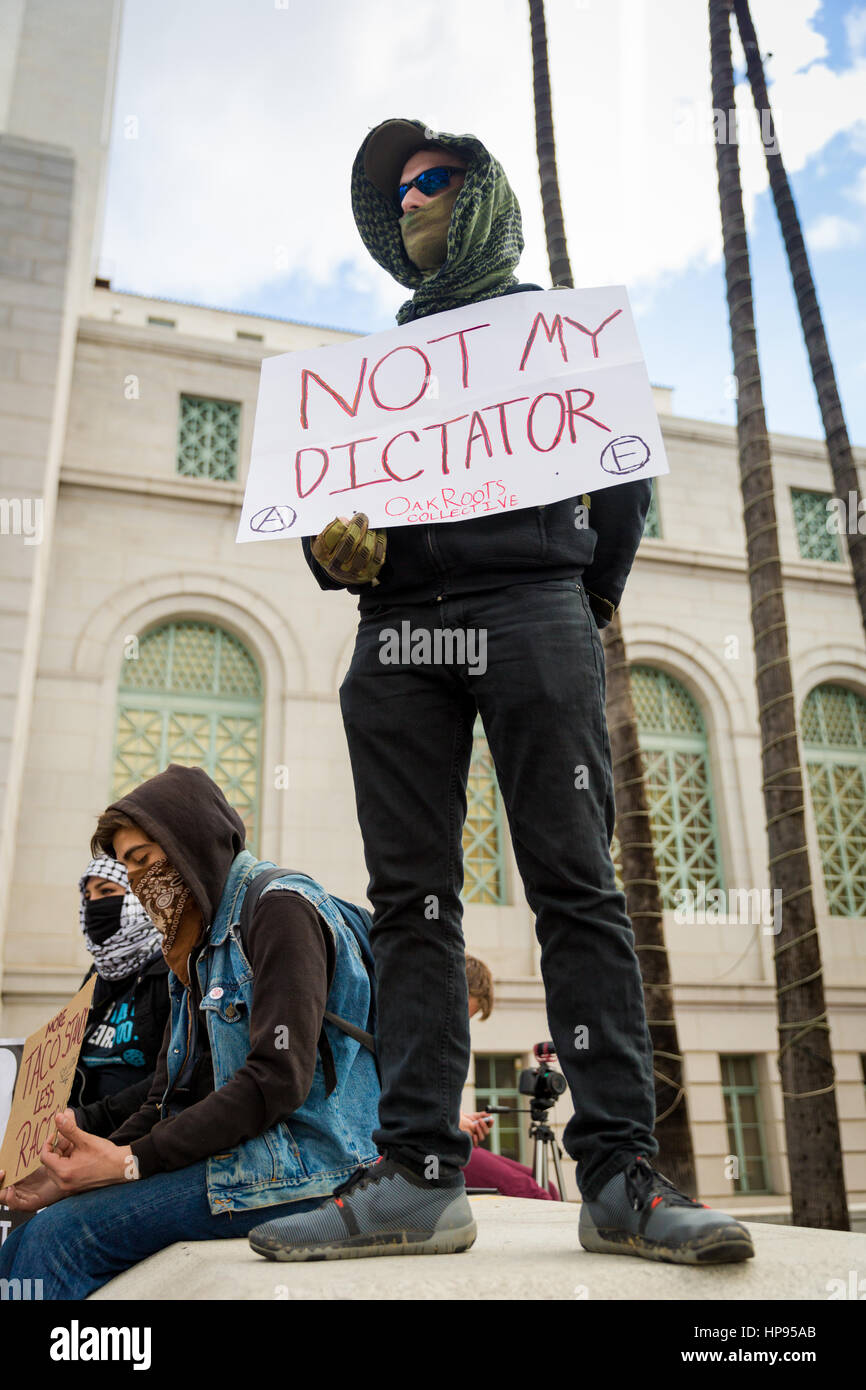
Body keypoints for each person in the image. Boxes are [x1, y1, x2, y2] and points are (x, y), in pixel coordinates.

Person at [248, 117, 754, 1268]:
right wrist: (335, 555)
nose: (413, 196)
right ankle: (420, 1174)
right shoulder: (376, 370)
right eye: (401, 186)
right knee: (408, 901)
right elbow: (328, 513)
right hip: (398, 639)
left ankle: (620, 1171)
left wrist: (581, 605)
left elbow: (618, 488)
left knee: (575, 885)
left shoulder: (554, 336)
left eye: (436, 178)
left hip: (534, 611)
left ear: (478, 200)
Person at [0, 764, 381, 1298]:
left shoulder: (280, 911)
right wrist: (84, 1163)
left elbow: (276, 1079)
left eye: (143, 860)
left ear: (190, 842)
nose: (136, 881)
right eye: (125, 868)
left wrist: (132, 1163)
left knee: (59, 1242)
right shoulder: (193, 943)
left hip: (308, 1170)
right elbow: (164, 1100)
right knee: (22, 1241)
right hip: (245, 1157)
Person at [70, 855, 169, 1113]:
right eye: (88, 896)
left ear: (137, 896)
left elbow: (175, 1076)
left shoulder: (170, 969)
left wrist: (93, 1119)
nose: (93, 904)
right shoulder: (97, 974)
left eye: (106, 891)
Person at [461, 955, 559, 1201]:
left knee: (548, 1188)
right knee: (537, 1195)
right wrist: (450, 1122)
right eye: (464, 1014)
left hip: (446, 1139)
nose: (462, 1026)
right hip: (433, 1147)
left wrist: (460, 1120)